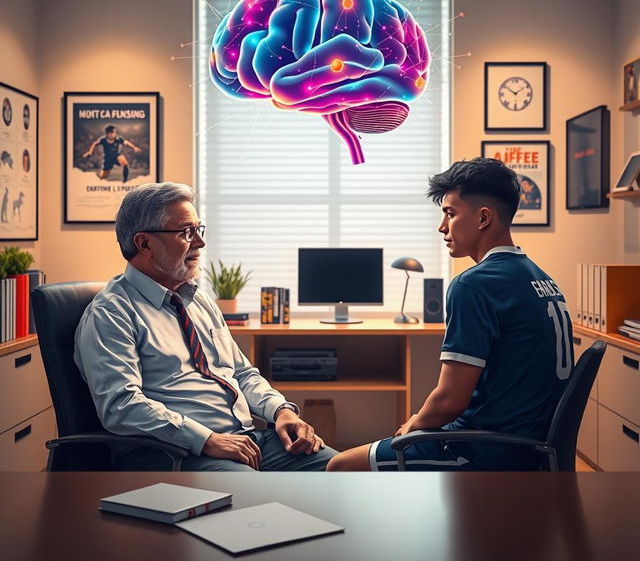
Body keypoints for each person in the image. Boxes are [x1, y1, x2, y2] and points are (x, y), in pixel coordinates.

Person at [327, 157, 573, 472]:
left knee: (340, 465)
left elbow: (449, 400)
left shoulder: (473, 285)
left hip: (484, 449)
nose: (442, 226)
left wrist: (414, 424)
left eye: (450, 213)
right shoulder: (541, 278)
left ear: (483, 217)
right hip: (531, 447)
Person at [75, 182, 338, 471]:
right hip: (177, 452)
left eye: (200, 230)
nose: (199, 243)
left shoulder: (197, 298)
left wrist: (282, 411)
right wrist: (206, 439)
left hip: (246, 439)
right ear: (144, 243)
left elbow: (241, 373)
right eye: (186, 232)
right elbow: (120, 406)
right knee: (256, 498)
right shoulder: (111, 313)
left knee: (341, 470)